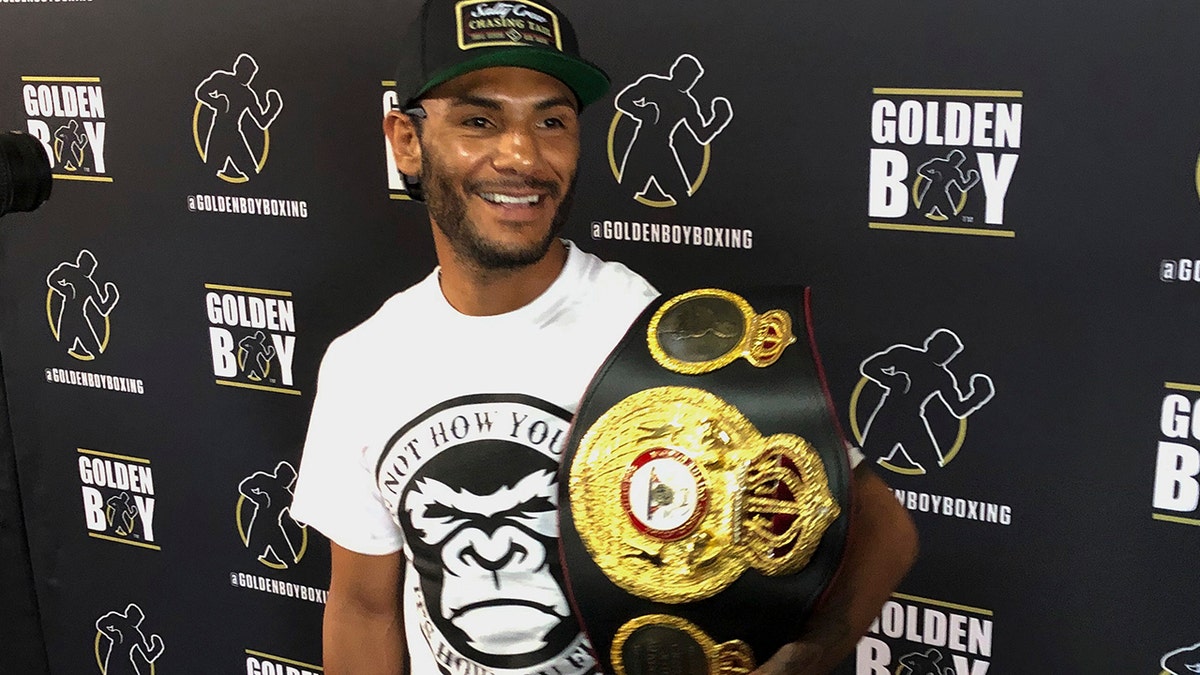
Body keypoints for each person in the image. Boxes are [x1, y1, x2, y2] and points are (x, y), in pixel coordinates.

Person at [291, 1, 918, 673]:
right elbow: (365, 606)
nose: (523, 155)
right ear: (406, 141)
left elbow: (880, 527)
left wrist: (805, 659)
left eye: (552, 121)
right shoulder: (363, 361)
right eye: (480, 120)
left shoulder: (659, 336)